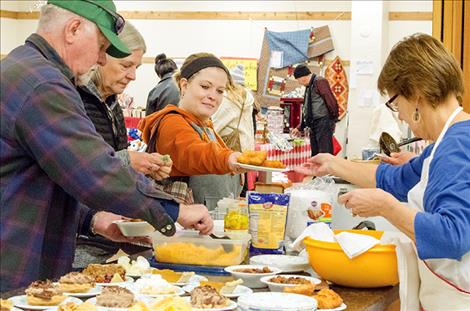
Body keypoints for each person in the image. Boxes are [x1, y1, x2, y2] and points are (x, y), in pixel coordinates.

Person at [0, 0, 212, 292]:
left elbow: (41, 181)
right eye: (101, 46)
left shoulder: (25, 69)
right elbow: (93, 169)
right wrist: (173, 211)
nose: (101, 60)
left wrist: (92, 220)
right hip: (12, 266)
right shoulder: (44, 84)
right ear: (74, 29)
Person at [296, 33, 470, 310]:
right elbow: (396, 179)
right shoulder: (444, 142)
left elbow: (451, 236)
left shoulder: (457, 146)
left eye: (395, 101)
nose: (398, 114)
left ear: (415, 94)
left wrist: (385, 206)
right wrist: (333, 164)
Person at [75, 21, 173, 267]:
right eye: (126, 65)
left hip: (108, 242)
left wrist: (147, 169)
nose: (133, 76)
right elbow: (77, 169)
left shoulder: (112, 105)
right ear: (100, 56)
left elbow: (113, 166)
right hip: (79, 244)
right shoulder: (74, 99)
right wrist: (128, 160)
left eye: (137, 67)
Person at [139, 53, 243, 209]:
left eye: (220, 91)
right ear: (184, 85)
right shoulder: (172, 123)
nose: (213, 96)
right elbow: (193, 152)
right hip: (186, 230)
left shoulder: (205, 126)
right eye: (205, 87)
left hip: (210, 228)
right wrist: (228, 158)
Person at [291, 64, 339, 156]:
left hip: (323, 122)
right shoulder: (309, 86)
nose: (299, 83)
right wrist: (299, 127)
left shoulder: (320, 81)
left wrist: (333, 119)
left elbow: (331, 100)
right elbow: (308, 109)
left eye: (298, 80)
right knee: (316, 154)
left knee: (325, 154)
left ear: (302, 78)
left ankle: (326, 171)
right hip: (315, 124)